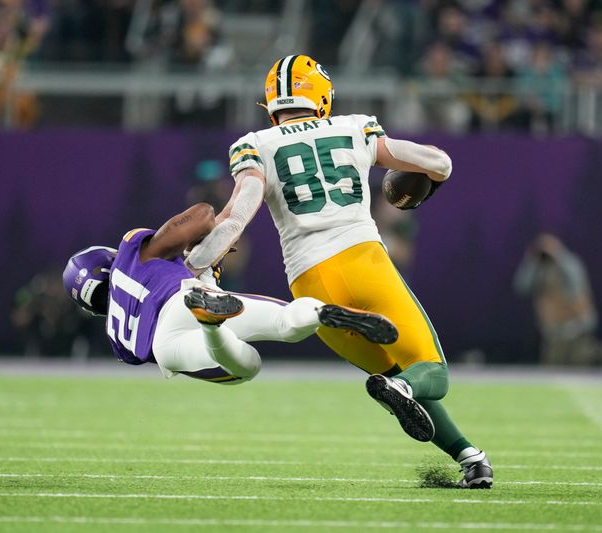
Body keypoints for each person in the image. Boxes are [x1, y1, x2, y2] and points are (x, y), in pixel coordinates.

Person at [183, 55, 492, 488]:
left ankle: (471, 458)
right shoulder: (354, 127)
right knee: (429, 373)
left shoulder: (254, 144)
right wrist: (426, 183)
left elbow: (237, 216)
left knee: (391, 375)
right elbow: (438, 162)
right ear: (322, 96)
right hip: (362, 261)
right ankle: (414, 401)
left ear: (271, 102)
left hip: (310, 285)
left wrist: (198, 264)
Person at [63, 202, 397, 384]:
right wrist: (203, 247)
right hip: (182, 297)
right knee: (284, 322)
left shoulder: (117, 340)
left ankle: (211, 323)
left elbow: (144, 301)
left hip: (166, 346)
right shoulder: (133, 252)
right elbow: (202, 215)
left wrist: (201, 268)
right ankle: (322, 313)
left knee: (248, 367)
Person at [513, 233, 601, 366]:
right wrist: (531, 262)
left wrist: (557, 254)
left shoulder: (571, 265)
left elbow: (576, 287)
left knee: (580, 373)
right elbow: (522, 287)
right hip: (553, 334)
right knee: (552, 374)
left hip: (577, 330)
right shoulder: (539, 270)